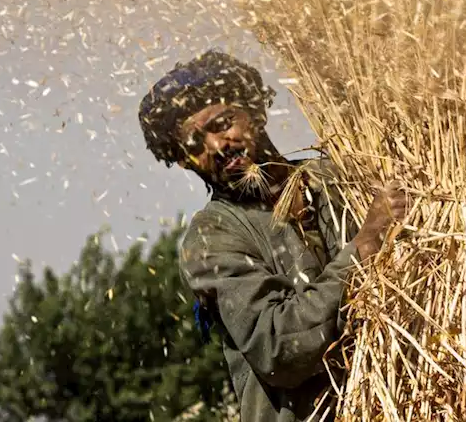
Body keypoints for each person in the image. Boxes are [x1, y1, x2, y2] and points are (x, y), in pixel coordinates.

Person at [139, 49, 408, 422]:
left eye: (222, 123)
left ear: (256, 112)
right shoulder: (212, 237)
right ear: (184, 161)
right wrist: (364, 246)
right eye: (195, 144)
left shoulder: (342, 176)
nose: (217, 146)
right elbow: (280, 346)